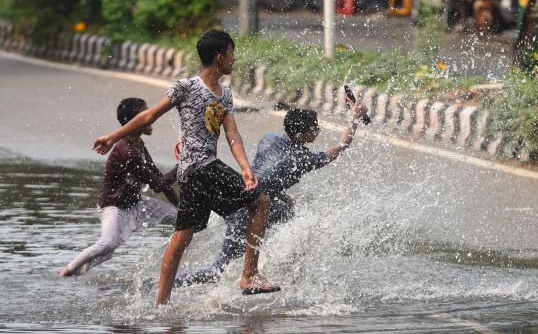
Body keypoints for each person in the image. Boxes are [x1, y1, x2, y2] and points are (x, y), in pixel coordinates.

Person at [92, 29, 278, 305]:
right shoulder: (186, 87)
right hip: (201, 167)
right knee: (261, 202)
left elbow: (232, 135)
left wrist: (245, 168)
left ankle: (161, 304)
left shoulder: (225, 95)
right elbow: (149, 114)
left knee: (182, 236)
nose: (234, 59)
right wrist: (112, 136)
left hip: (191, 173)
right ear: (219, 57)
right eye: (231, 53)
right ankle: (248, 276)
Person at [173, 106, 366, 287]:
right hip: (249, 211)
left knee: (292, 214)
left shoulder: (269, 139)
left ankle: (271, 260)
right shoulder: (301, 158)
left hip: (242, 199)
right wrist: (354, 120)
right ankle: (167, 284)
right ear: (302, 133)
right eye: (314, 127)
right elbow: (340, 147)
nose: (318, 130)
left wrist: (281, 195)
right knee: (217, 270)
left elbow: (268, 174)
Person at [58, 98, 179, 277]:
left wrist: (181, 207)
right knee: (107, 245)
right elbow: (157, 184)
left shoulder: (138, 145)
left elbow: (159, 180)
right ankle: (66, 272)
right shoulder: (126, 151)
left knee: (180, 218)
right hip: (113, 207)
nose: (151, 118)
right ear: (135, 121)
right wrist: (183, 165)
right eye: (145, 114)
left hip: (135, 203)